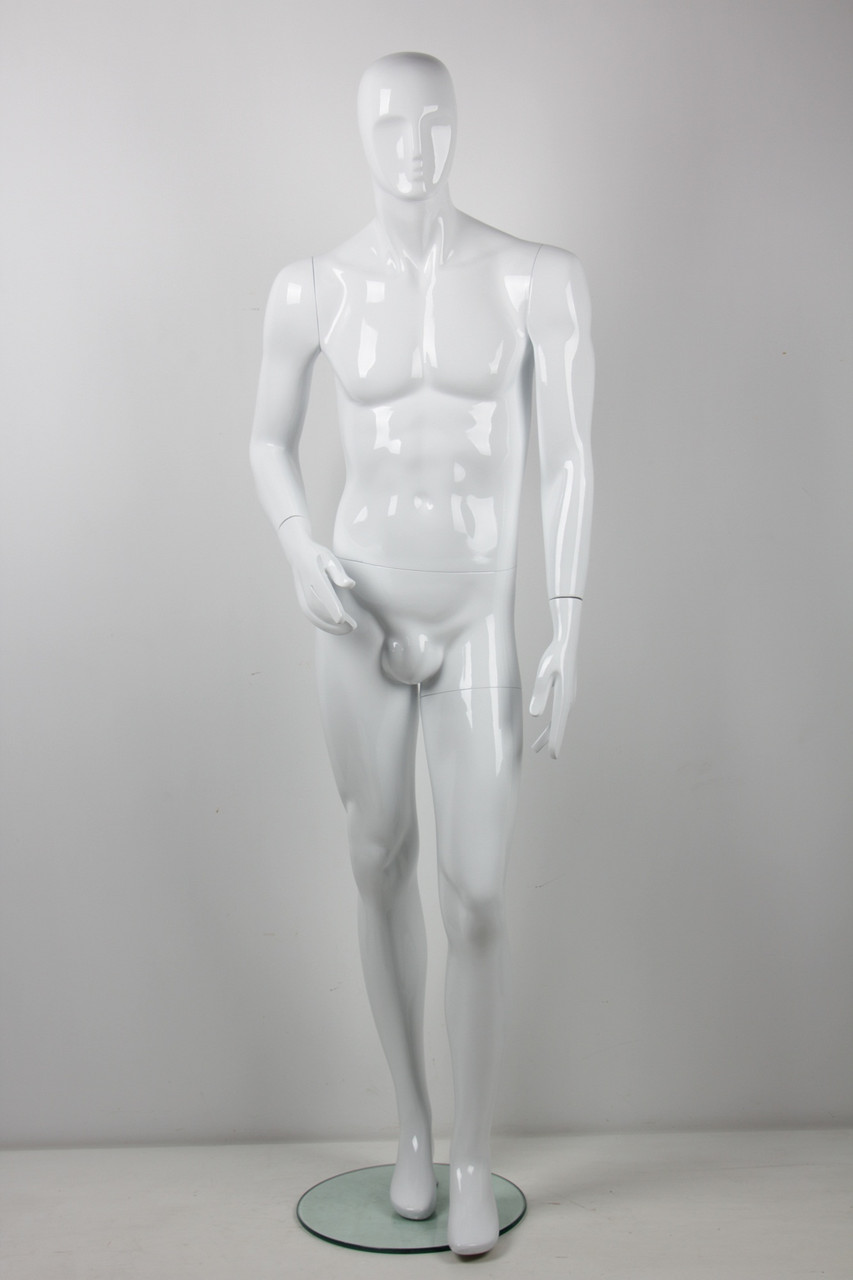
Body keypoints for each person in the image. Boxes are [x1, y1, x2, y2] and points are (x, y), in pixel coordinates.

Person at [250, 51, 593, 1256]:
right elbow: (265, 438)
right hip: (359, 610)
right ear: (360, 134)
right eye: (389, 121)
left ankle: (474, 1154)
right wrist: (297, 546)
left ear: (457, 128)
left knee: (478, 890)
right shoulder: (313, 289)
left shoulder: (535, 278)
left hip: (478, 615)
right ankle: (410, 1128)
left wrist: (566, 615)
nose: (411, 143)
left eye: (432, 119)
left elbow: (570, 457)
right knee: (376, 858)